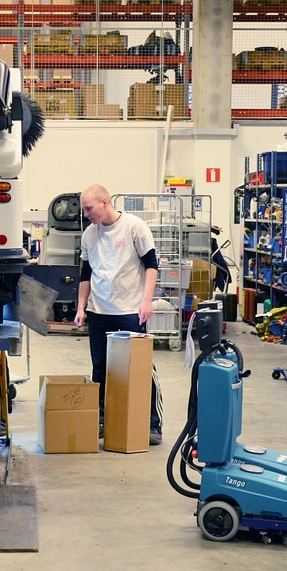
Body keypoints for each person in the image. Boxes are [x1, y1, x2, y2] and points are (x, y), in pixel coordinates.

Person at [73, 184, 163, 445]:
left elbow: (151, 266)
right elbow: (85, 275)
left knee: (141, 370)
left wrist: (146, 301)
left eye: (89, 208)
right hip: (99, 312)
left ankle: (152, 425)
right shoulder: (89, 235)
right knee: (100, 368)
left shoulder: (134, 227)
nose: (86, 214)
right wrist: (81, 307)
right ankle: (103, 420)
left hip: (129, 311)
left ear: (104, 202)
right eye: (84, 210)